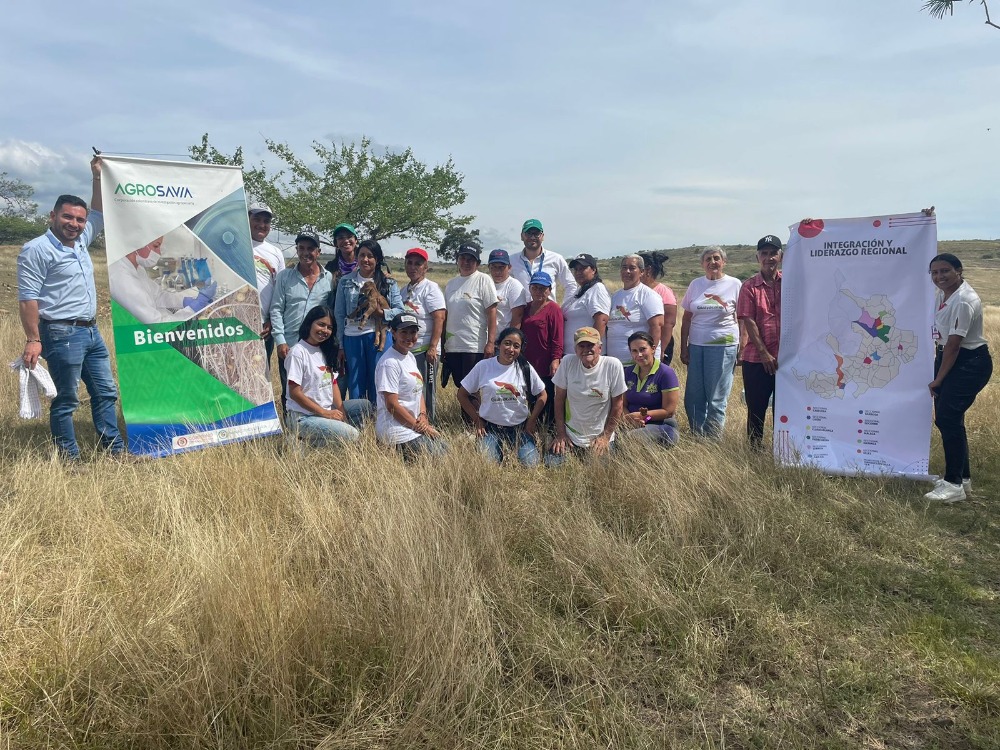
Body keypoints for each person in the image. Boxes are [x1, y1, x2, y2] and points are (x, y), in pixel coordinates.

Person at [16, 155, 127, 460]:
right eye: (68, 217)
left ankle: (115, 452)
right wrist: (33, 339)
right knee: (67, 399)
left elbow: (100, 213)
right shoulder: (36, 250)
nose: (75, 224)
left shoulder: (80, 241)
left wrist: (96, 176)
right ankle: (70, 459)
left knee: (105, 392)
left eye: (79, 219)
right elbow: (28, 298)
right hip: (61, 333)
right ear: (52, 216)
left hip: (91, 332)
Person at [924, 253, 993, 503]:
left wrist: (938, 379)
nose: (939, 276)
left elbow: (954, 344)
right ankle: (962, 479)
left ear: (959, 271)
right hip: (947, 358)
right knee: (950, 420)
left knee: (947, 418)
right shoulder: (943, 296)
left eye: (945, 271)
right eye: (934, 272)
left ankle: (953, 485)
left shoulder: (964, 300)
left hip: (968, 362)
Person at [284, 305, 373, 447]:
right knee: (352, 435)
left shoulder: (324, 349)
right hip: (304, 417)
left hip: (326, 411)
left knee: (365, 406)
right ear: (309, 323)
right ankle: (302, 442)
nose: (325, 330)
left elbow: (333, 383)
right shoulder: (297, 352)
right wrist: (325, 413)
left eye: (329, 327)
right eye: (321, 324)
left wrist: (341, 412)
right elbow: (295, 393)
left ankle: (326, 438)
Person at [457, 327, 548, 466]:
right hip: (491, 429)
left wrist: (532, 420)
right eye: (507, 343)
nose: (511, 349)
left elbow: (542, 395)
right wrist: (477, 419)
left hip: (520, 428)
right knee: (488, 465)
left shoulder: (525, 367)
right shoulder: (484, 366)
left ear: (520, 349)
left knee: (531, 465)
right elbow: (462, 394)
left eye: (516, 346)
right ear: (498, 344)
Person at [680, 246, 743, 437]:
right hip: (697, 346)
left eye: (717, 258)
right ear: (702, 264)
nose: (712, 262)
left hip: (723, 345)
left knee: (716, 396)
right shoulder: (696, 284)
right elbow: (686, 319)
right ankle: (697, 435)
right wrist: (684, 347)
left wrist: (743, 346)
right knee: (693, 395)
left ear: (724, 262)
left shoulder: (734, 284)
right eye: (708, 259)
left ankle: (713, 438)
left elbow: (742, 318)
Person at [270, 230, 335, 412]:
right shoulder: (285, 277)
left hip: (316, 346)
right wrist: (280, 340)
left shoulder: (328, 278)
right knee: (289, 391)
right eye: (301, 248)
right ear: (297, 250)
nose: (306, 253)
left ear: (318, 252)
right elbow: (276, 309)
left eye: (311, 249)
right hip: (289, 344)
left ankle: (314, 429)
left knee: (315, 390)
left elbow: (330, 314)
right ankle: (291, 430)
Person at [334, 239, 404, 403]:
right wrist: (341, 345)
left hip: (378, 337)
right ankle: (358, 421)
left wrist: (382, 313)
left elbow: (400, 310)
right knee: (355, 381)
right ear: (357, 258)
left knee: (379, 380)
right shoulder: (345, 282)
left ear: (377, 259)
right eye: (362, 255)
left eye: (370, 256)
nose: (366, 259)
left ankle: (377, 420)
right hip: (352, 336)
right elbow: (339, 314)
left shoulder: (388, 283)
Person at [546, 326, 627, 467]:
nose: (586, 349)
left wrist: (606, 437)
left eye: (591, 345)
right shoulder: (567, 362)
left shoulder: (613, 365)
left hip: (598, 436)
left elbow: (618, 405)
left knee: (598, 470)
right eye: (581, 346)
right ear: (575, 349)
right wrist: (561, 434)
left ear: (600, 348)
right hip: (571, 435)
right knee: (551, 466)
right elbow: (558, 400)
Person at [375, 312, 449, 460]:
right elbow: (392, 405)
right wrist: (419, 427)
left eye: (413, 332)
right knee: (440, 456)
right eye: (404, 332)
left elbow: (418, 390)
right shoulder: (389, 363)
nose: (409, 337)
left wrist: (422, 416)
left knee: (445, 448)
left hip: (413, 424)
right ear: (393, 333)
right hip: (396, 430)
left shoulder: (409, 356)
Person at [442, 244, 499, 420]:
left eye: (471, 259)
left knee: (471, 389)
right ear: (458, 260)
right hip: (453, 346)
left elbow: (492, 313)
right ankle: (468, 421)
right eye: (463, 258)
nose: (466, 262)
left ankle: (477, 425)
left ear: (478, 263)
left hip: (474, 345)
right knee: (460, 386)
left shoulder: (483, 280)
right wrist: (443, 343)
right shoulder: (451, 284)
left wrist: (490, 343)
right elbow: (445, 316)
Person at [737, 235, 783, 449]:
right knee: (756, 408)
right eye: (764, 253)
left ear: (780, 256)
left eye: (773, 253)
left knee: (785, 409)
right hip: (756, 360)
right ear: (758, 257)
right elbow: (749, 320)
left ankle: (782, 449)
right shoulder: (749, 287)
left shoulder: (791, 283)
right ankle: (755, 451)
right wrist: (764, 353)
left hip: (787, 360)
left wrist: (807, 228)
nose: (769, 258)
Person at [108, 236, 218, 324]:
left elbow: (158, 295)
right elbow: (158, 326)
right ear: (138, 243)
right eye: (156, 246)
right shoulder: (122, 279)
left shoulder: (137, 268)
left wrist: (183, 301)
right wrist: (192, 309)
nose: (159, 253)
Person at [402, 247, 446, 423]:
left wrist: (433, 347)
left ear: (425, 267)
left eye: (418, 264)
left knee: (426, 390)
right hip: (408, 351)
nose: (413, 267)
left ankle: (430, 424)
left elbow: (439, 318)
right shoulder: (404, 290)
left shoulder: (431, 288)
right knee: (412, 389)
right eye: (410, 263)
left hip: (425, 350)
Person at [619, 332, 680, 446]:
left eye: (643, 349)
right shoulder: (627, 372)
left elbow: (668, 411)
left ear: (653, 349)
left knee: (631, 438)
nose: (639, 354)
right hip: (633, 422)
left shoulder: (666, 373)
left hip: (662, 424)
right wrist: (629, 420)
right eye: (635, 351)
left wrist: (642, 416)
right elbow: (623, 404)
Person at [520, 271, 563, 423]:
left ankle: (548, 430)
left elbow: (557, 338)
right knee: (530, 396)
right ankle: (532, 426)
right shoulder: (525, 308)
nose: (539, 291)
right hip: (527, 362)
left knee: (546, 397)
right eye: (535, 288)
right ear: (530, 289)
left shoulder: (553, 309)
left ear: (549, 290)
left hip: (545, 363)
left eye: (543, 288)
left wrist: (556, 359)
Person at [607, 254, 664, 364]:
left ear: (641, 272)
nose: (627, 271)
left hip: (639, 363)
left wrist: (649, 357)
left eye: (632, 268)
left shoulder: (648, 295)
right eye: (624, 267)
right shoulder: (615, 296)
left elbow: (656, 326)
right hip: (615, 363)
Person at [249, 203, 285, 373]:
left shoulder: (275, 252)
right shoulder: (234, 244)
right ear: (247, 219)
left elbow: (280, 290)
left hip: (264, 326)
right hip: (235, 322)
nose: (261, 225)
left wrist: (271, 321)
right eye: (257, 219)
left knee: (261, 372)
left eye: (266, 221)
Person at [509, 219, 577, 302]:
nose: (532, 237)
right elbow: (503, 285)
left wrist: (564, 309)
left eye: (536, 233)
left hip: (548, 313)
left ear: (542, 236)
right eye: (528, 233)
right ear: (522, 236)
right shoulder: (511, 261)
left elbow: (570, 285)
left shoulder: (556, 259)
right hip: (522, 313)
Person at [562, 253, 611, 357]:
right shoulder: (581, 290)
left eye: (582, 268)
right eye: (576, 269)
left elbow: (601, 320)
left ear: (593, 270)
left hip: (587, 356)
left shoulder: (597, 289)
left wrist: (591, 349)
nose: (578, 272)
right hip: (574, 355)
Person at [638, 251, 677, 365]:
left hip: (659, 343)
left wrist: (661, 349)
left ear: (647, 270)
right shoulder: (635, 291)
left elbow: (669, 323)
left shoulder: (663, 292)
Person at [487, 249, 528, 330]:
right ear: (489, 268)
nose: (497, 272)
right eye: (494, 267)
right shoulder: (486, 284)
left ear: (509, 267)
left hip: (502, 338)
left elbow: (517, 317)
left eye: (501, 268)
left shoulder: (514, 286)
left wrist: (508, 340)